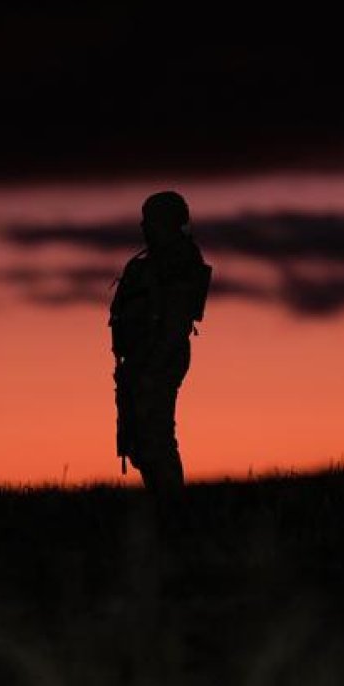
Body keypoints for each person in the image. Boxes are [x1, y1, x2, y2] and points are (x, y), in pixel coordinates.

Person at [110, 191, 212, 499]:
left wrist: (154, 364)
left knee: (156, 437)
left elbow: (175, 319)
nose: (144, 226)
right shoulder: (148, 264)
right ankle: (163, 501)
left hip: (160, 357)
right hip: (141, 359)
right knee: (139, 438)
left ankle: (171, 503)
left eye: (151, 220)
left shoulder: (179, 260)